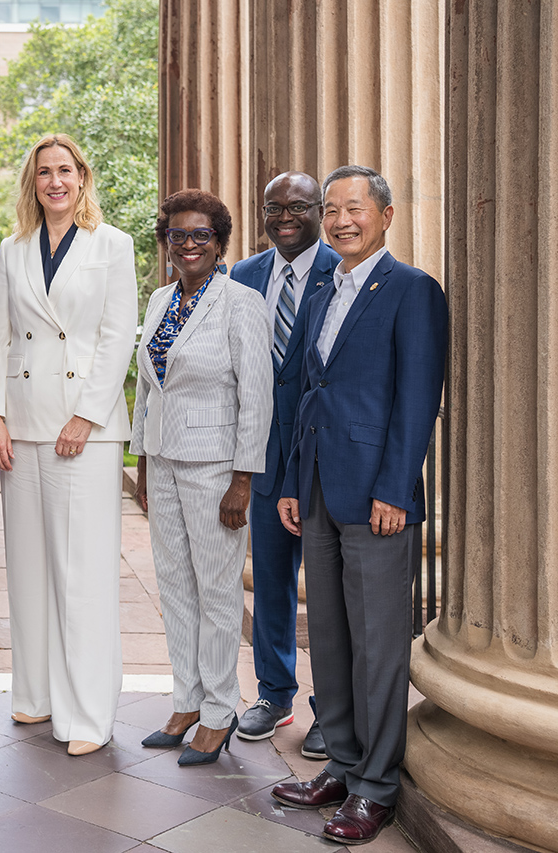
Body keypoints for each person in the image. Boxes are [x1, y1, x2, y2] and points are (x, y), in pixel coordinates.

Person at [272, 166, 447, 844]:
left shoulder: (412, 292)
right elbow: (305, 395)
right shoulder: (322, 287)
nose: (341, 219)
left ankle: (376, 784)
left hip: (378, 495)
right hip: (317, 486)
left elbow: (416, 400)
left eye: (355, 207)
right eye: (332, 208)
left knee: (378, 644)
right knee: (336, 637)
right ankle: (342, 764)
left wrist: (395, 490)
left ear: (386, 215)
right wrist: (290, 479)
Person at [0, 134, 137, 756]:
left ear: (82, 177)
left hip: (83, 431)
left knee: (82, 573)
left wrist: (88, 416)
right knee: (29, 569)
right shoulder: (13, 247)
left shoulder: (112, 244)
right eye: (44, 172)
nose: (55, 181)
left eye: (65, 171)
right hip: (21, 424)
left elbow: (117, 333)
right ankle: (36, 695)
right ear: (32, 182)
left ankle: (87, 716)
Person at [131, 189, 273, 767]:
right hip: (163, 462)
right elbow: (145, 388)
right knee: (175, 586)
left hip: (217, 469)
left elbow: (256, 397)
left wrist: (243, 480)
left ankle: (219, 710)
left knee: (217, 592)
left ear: (220, 244)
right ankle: (187, 698)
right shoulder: (160, 299)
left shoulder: (241, 303)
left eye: (201, 236)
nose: (188, 245)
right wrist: (141, 460)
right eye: (177, 236)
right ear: (165, 243)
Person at [229, 171, 339, 758]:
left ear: (320, 210)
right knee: (271, 579)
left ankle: (332, 706)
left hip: (324, 457)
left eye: (298, 206)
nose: (285, 217)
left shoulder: (340, 270)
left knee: (324, 587)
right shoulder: (243, 275)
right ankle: (274, 692)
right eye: (274, 208)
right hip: (265, 456)